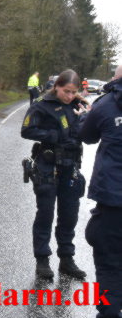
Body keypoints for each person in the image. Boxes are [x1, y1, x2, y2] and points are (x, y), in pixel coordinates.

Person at [21, 69, 89, 280]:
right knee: (45, 214)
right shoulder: (41, 104)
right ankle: (42, 260)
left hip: (70, 167)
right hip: (48, 166)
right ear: (57, 86)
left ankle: (66, 260)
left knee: (69, 216)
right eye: (66, 91)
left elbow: (87, 133)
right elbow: (26, 131)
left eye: (73, 92)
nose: (69, 96)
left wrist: (85, 120)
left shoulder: (78, 105)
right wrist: (53, 135)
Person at [80, 64, 122, 318]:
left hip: (114, 200)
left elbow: (87, 136)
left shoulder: (105, 104)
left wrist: (87, 114)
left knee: (108, 261)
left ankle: (108, 312)